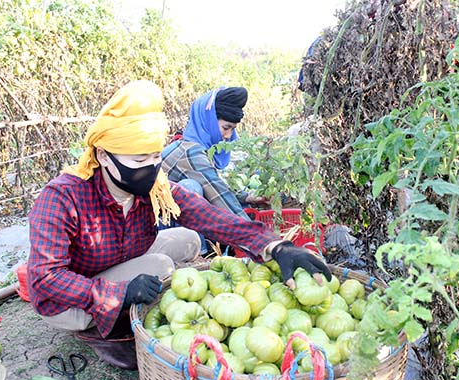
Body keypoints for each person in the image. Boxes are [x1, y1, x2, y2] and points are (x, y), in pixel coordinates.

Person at [26, 80, 331, 365]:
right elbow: (44, 277)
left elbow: (209, 217)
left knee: (188, 238)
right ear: (104, 156)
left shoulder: (153, 187)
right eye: (137, 160)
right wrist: (119, 293)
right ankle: (103, 328)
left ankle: (123, 300)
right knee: (159, 267)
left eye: (154, 156)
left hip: (119, 257)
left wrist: (275, 246)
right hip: (69, 295)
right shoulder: (63, 196)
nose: (149, 167)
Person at [161, 86, 267, 220]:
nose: (229, 135)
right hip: (159, 224)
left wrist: (247, 197)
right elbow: (219, 197)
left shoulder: (197, 146)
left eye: (232, 129)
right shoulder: (191, 152)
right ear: (209, 122)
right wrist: (258, 236)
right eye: (226, 128)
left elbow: (215, 186)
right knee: (191, 188)